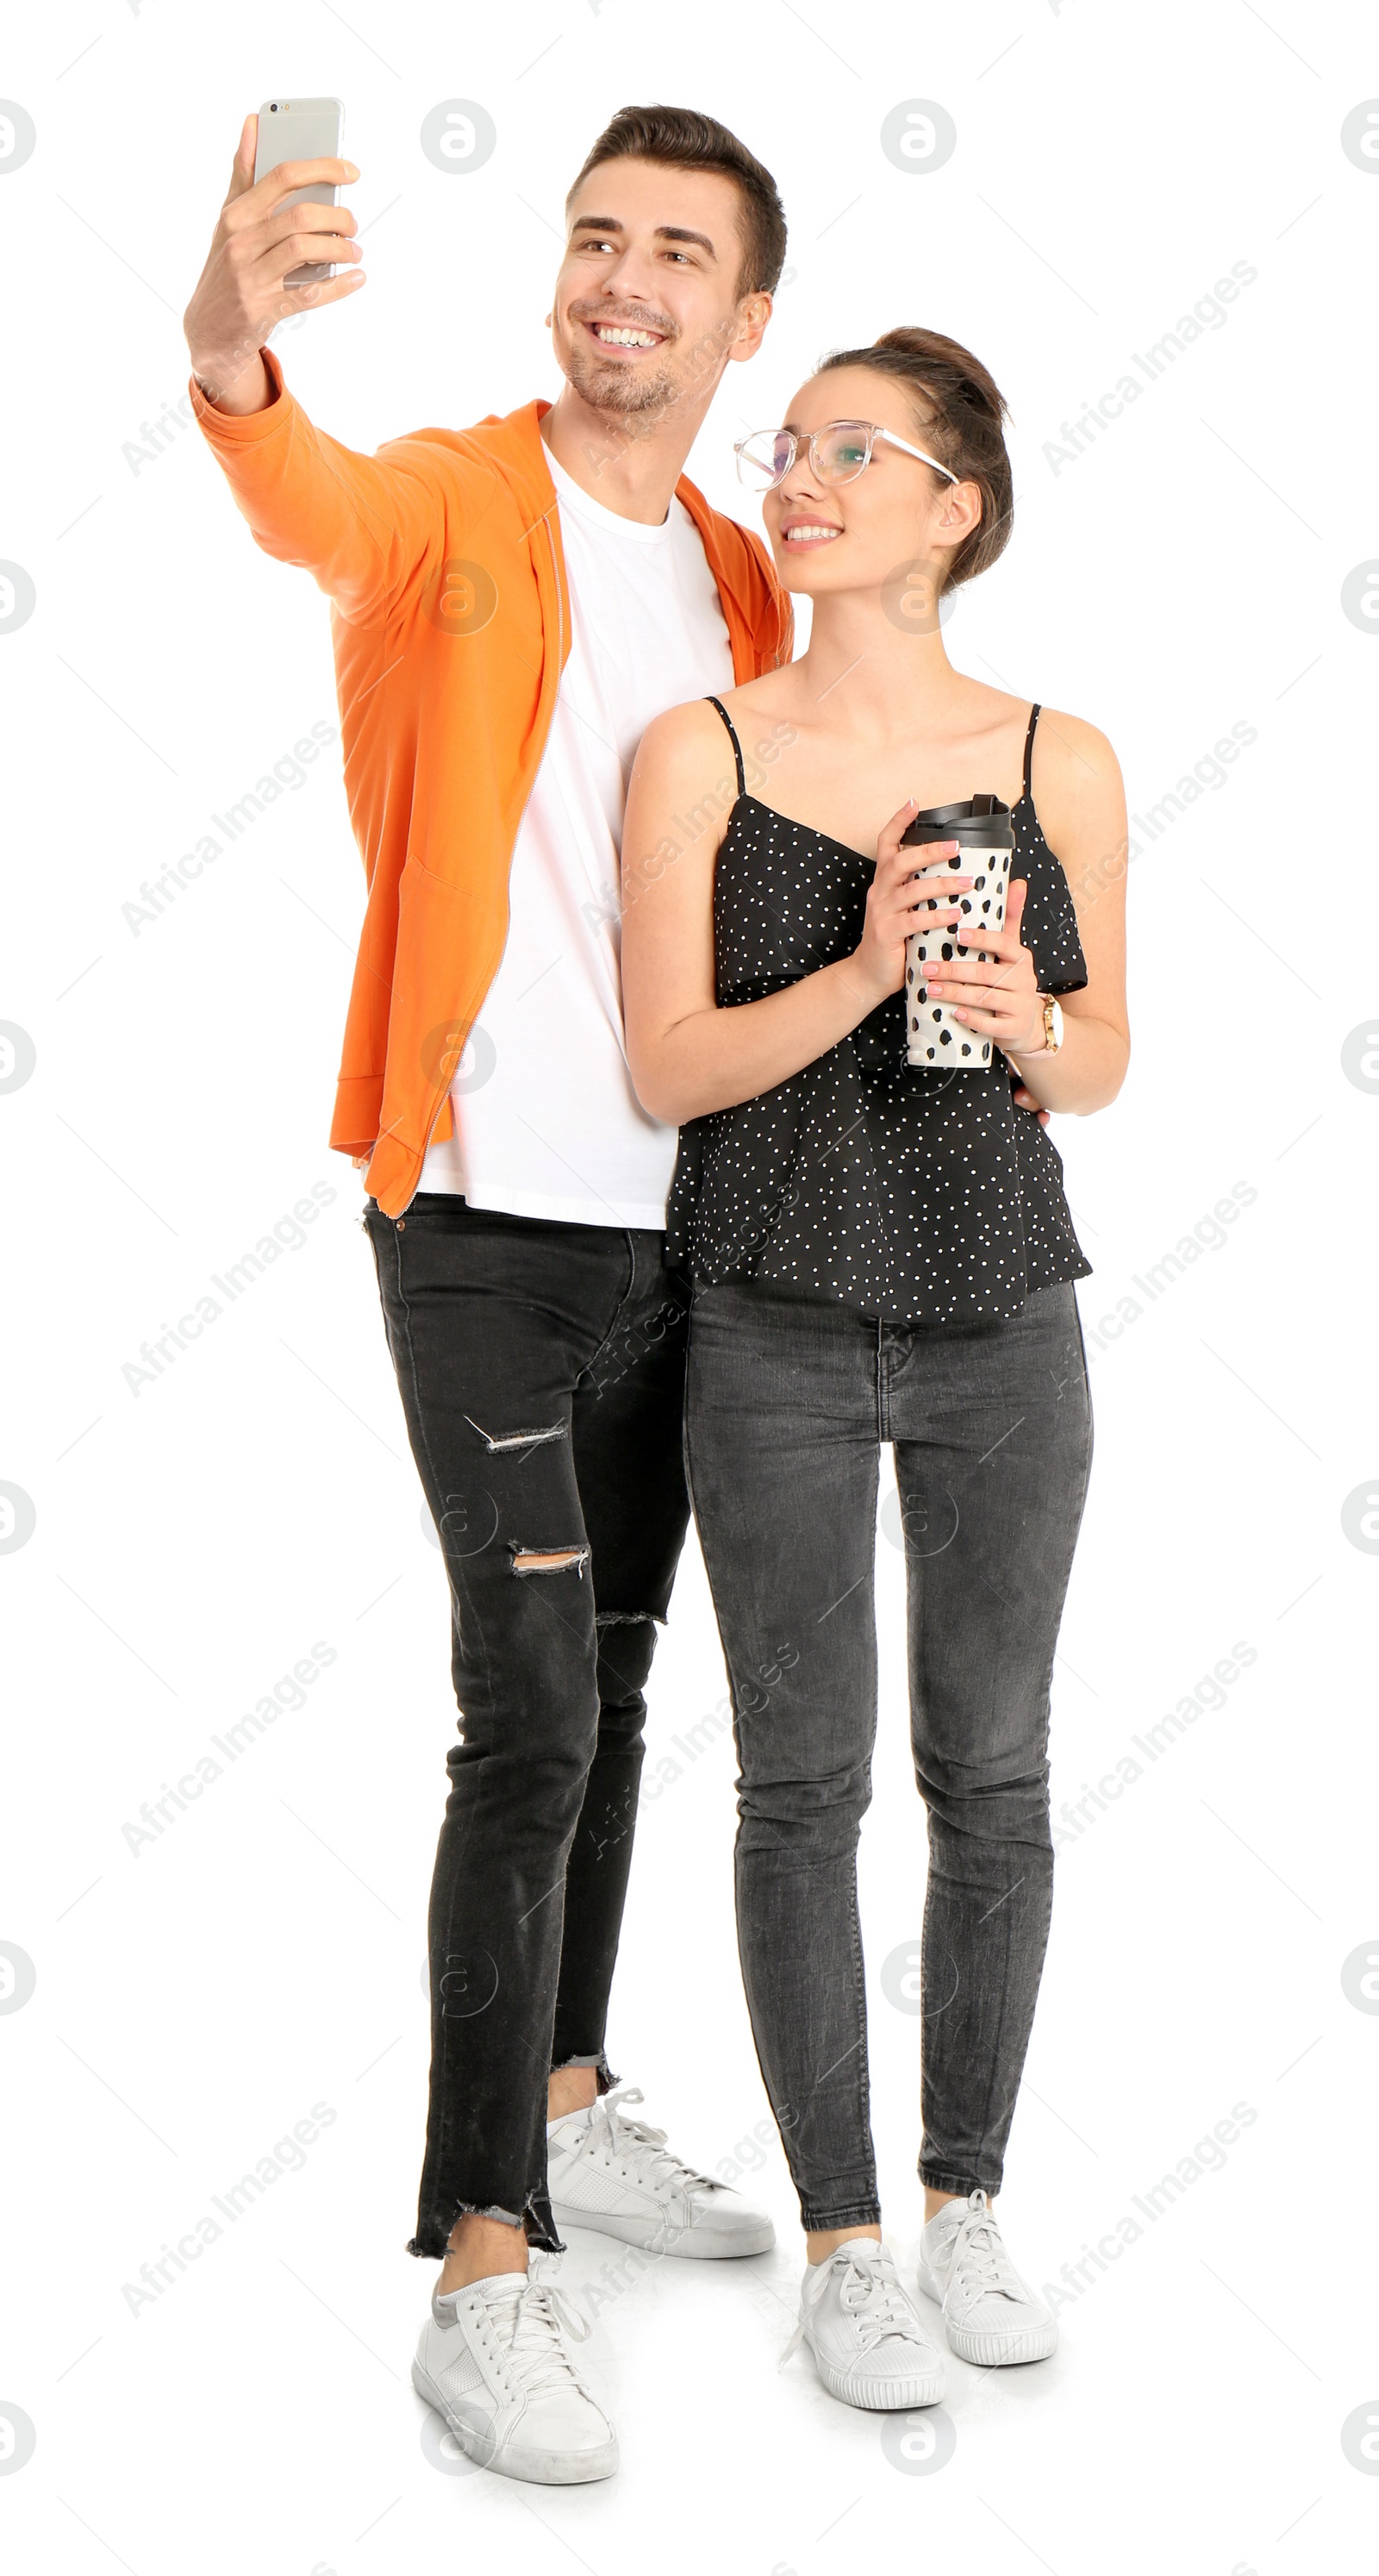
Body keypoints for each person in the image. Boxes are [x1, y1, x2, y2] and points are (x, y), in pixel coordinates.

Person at [182, 102, 796, 2486]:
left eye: (678, 257)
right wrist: (229, 334)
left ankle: (564, 2087)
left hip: (689, 1229)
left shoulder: (745, 584)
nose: (621, 281)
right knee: (527, 1712)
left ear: (740, 325)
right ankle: (483, 2258)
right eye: (595, 238)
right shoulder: (448, 498)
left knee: (627, 1695)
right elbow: (293, 489)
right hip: (478, 1227)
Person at [621, 327, 1129, 2411]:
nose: (802, 473)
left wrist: (1017, 1017)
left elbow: (1099, 1064)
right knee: (798, 1785)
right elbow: (669, 1069)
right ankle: (842, 2246)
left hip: (1006, 1318)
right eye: (788, 441)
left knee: (989, 1777)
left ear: (953, 509)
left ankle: (967, 2205)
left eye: (855, 448)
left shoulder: (1052, 756)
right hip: (772, 1317)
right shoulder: (699, 751)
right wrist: (854, 965)